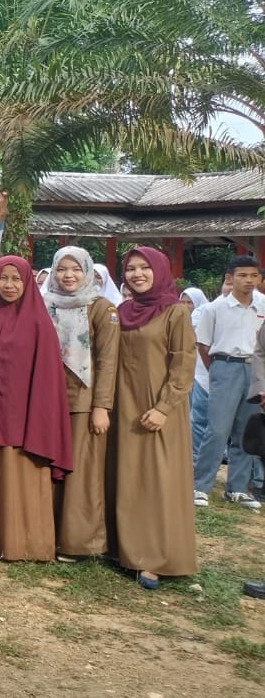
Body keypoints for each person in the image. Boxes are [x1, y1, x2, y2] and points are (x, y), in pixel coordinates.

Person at [0, 256, 74, 562]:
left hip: (25, 416)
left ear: (27, 282)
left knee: (22, 471)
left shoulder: (39, 321)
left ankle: (26, 543)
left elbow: (48, 376)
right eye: (4, 278)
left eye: (16, 279)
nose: (9, 285)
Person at [114, 247, 198, 588]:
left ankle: (158, 558)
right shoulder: (121, 311)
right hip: (124, 405)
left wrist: (164, 407)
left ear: (160, 270)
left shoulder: (175, 312)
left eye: (144, 268)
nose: (137, 274)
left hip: (160, 409)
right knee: (129, 478)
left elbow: (184, 363)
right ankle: (127, 549)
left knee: (159, 482)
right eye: (131, 269)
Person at [43, 247, 121, 560]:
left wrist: (101, 406)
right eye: (62, 269)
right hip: (48, 400)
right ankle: (47, 533)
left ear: (87, 271)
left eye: (76, 269)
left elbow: (108, 360)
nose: (68, 276)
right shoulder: (45, 304)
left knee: (81, 473)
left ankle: (80, 543)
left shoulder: (101, 308)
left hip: (84, 402)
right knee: (49, 468)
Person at [194, 255, 265, 509]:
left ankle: (237, 488)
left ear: (259, 278)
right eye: (242, 275)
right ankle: (200, 485)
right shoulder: (215, 309)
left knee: (246, 431)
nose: (248, 280)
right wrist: (217, 372)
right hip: (224, 366)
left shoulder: (263, 305)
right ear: (230, 278)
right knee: (217, 430)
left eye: (253, 275)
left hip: (256, 370)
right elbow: (203, 345)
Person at [180, 286, 212, 503]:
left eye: (189, 302)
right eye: (182, 301)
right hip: (185, 375)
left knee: (200, 420)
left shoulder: (205, 317)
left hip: (203, 374)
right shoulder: (177, 319)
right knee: (191, 421)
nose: (185, 306)